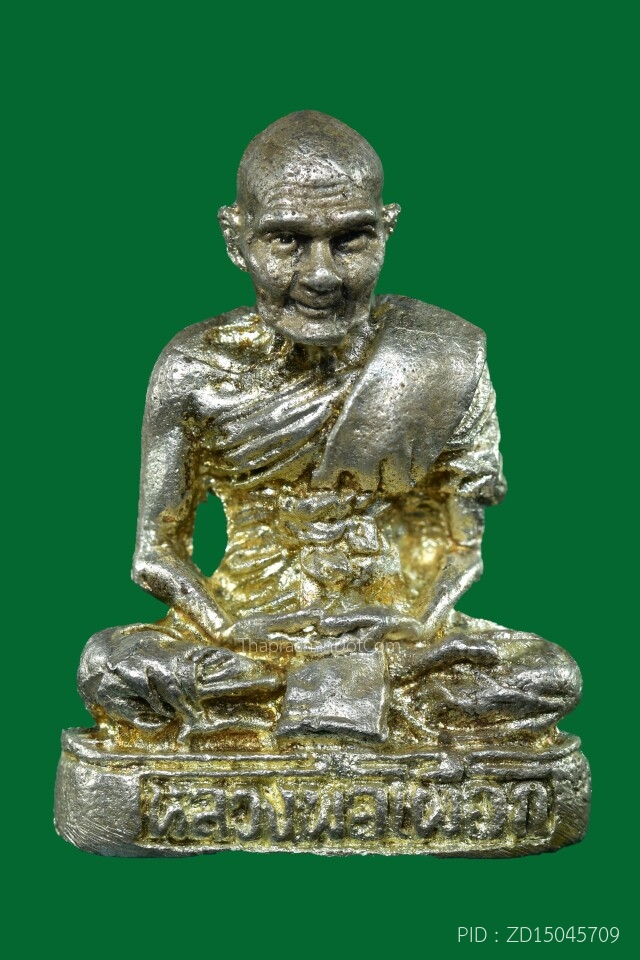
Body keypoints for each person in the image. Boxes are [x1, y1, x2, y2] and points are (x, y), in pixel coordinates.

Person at [78, 111, 580, 745]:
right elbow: (156, 552)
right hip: (244, 635)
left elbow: (460, 542)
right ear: (236, 239)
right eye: (287, 240)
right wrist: (228, 628)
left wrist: (420, 623)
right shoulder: (193, 369)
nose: (321, 274)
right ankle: (351, 709)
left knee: (548, 674)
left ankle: (298, 709)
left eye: (351, 240)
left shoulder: (441, 356)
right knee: (109, 666)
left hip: (392, 630)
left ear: (387, 229)